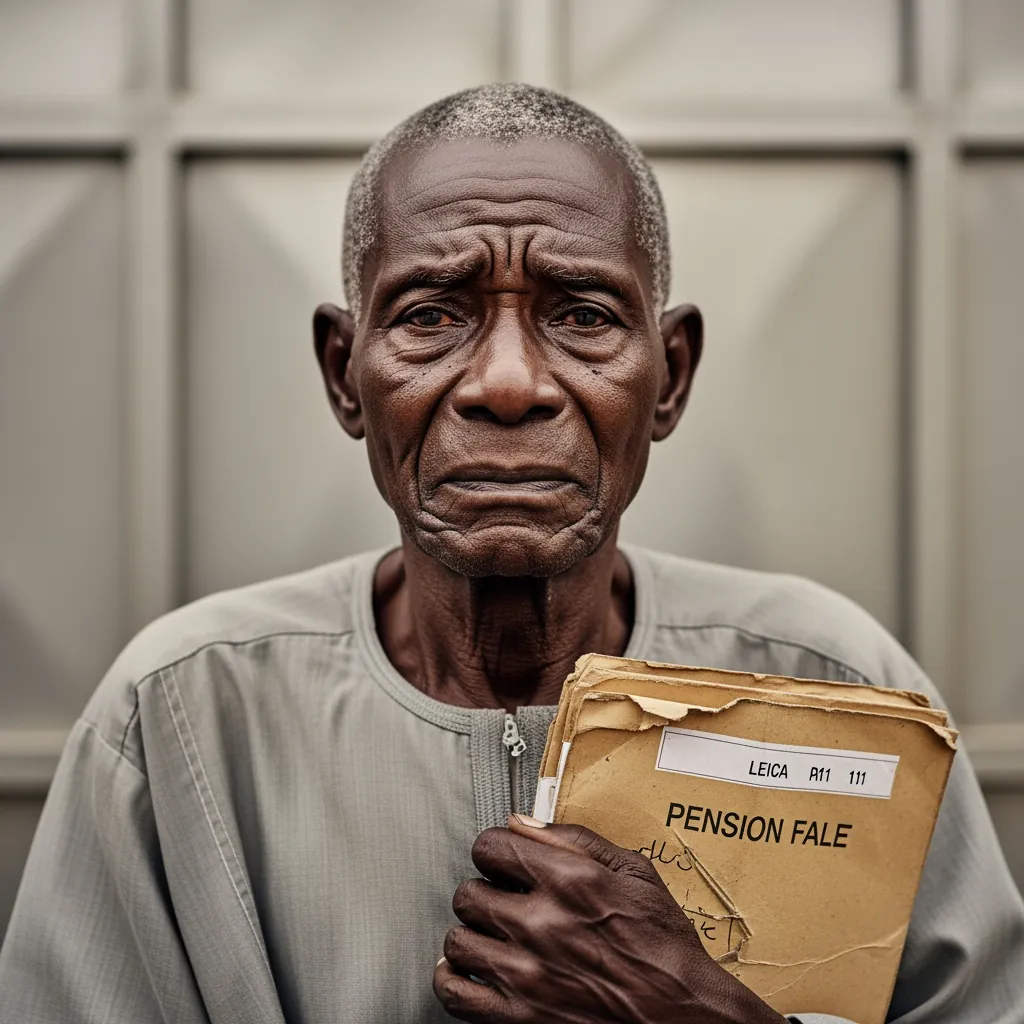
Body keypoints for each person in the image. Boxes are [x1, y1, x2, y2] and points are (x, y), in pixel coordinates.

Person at [0, 83, 1021, 1024]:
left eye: (580, 314)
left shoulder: (836, 686)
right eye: (431, 315)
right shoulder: (183, 717)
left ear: (667, 376)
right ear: (342, 374)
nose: (505, 382)